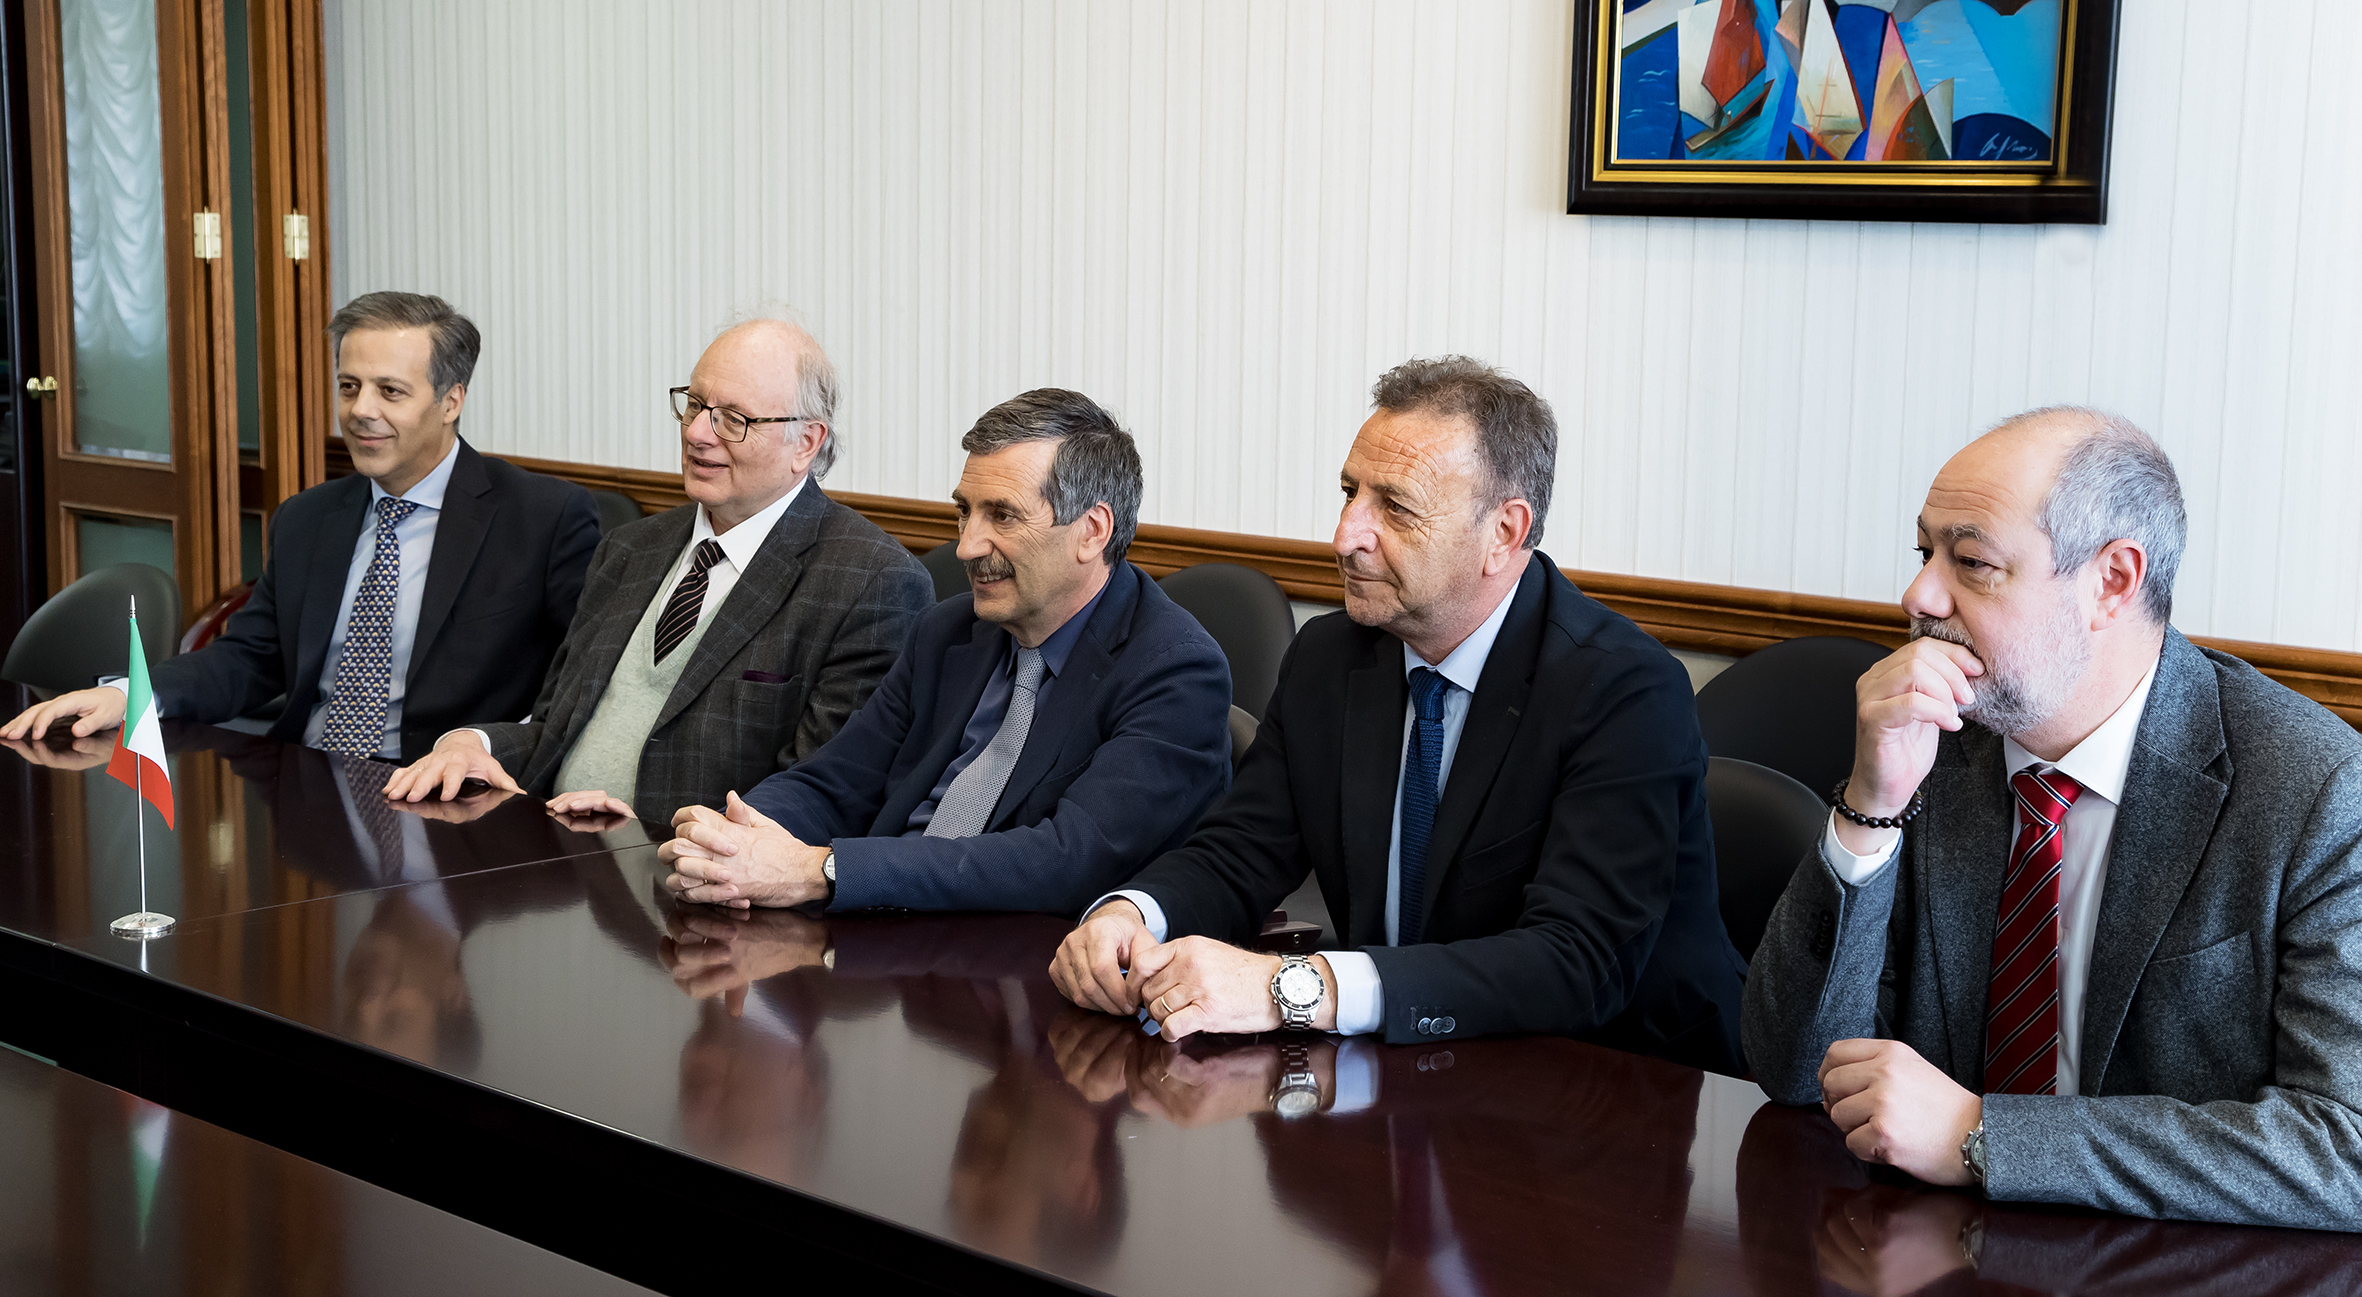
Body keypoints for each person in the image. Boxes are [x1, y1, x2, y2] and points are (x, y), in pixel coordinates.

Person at [1742, 407, 2362, 1232]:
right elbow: (1794, 1069)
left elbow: (2343, 1147)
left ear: (2112, 581)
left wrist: (1983, 1136)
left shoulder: (2315, 789)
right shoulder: (1929, 737)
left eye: (1972, 561)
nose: (1919, 595)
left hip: (2165, 1263)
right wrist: (1871, 805)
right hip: (1933, 1252)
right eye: (1925, 554)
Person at [1048, 357, 1746, 1071]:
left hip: (1612, 1085)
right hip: (1406, 1073)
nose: (1345, 535)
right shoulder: (1330, 656)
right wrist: (1132, 915)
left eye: (1397, 507)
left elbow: (1576, 962)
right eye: (1350, 493)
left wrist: (1295, 988)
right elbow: (1240, 852)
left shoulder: (1624, 689)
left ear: (1504, 533)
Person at [655, 389, 1232, 915]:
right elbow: (833, 781)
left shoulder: (1175, 671)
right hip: (878, 939)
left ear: (1093, 531)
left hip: (1012, 963)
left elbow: (1065, 859)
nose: (966, 546)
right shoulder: (949, 632)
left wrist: (822, 870)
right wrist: (732, 841)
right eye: (964, 511)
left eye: (1002, 515)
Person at [1, 291, 598, 761]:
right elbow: (250, 659)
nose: (361, 411)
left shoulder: (544, 518)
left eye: (390, 391)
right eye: (349, 387)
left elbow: (584, 679)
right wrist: (129, 695)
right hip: (302, 780)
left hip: (445, 798)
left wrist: (490, 747)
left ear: (451, 401)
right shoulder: (309, 517)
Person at [383, 318, 933, 825]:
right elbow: (555, 730)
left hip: (695, 881)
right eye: (695, 405)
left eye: (733, 419)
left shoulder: (871, 582)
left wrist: (646, 835)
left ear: (806, 443)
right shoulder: (631, 548)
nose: (697, 434)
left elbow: (821, 793)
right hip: (555, 849)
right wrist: (471, 744)